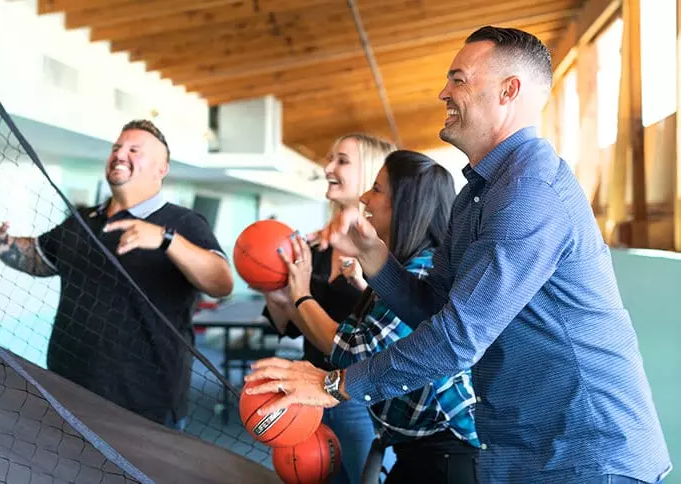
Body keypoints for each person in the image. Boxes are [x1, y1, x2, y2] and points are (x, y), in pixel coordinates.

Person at [244, 26, 672, 483]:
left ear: (509, 91)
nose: (442, 92)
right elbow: (436, 306)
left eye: (459, 79)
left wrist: (335, 384)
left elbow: (457, 337)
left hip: (586, 453)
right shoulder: (477, 194)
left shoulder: (530, 191)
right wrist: (376, 259)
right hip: (522, 448)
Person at [0, 119, 233, 430]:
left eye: (135, 150)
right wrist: (2, 243)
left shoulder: (184, 222)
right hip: (69, 390)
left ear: (162, 169)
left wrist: (165, 239)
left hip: (146, 404)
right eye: (117, 148)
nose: (120, 154)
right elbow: (40, 258)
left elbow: (221, 282)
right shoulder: (83, 220)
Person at [275, 150, 479, 483]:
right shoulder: (403, 268)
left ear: (406, 205)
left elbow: (356, 351)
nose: (366, 198)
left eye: (377, 190)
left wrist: (300, 294)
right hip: (414, 447)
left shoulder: (424, 270)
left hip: (445, 455)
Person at [259, 133, 394, 484]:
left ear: (372, 174)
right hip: (307, 390)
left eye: (342, 161)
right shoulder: (311, 247)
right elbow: (287, 326)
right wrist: (277, 299)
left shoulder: (389, 253)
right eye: (330, 158)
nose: (328, 167)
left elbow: (386, 330)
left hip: (360, 396)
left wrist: (363, 286)